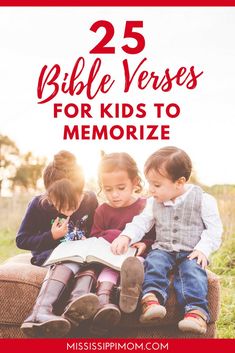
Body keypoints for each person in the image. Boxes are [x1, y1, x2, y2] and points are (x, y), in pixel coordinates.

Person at [111, 146, 223, 334]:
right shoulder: (153, 202)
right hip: (163, 249)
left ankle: (196, 313)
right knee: (154, 262)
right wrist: (126, 235)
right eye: (149, 183)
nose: (150, 189)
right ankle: (151, 300)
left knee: (193, 272)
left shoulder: (203, 199)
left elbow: (214, 230)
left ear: (179, 182)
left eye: (156, 185)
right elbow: (141, 223)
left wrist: (203, 249)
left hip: (191, 250)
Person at [16, 151, 98, 337]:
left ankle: (78, 305)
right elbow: (22, 240)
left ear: (82, 192)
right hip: (50, 253)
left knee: (92, 265)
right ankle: (40, 313)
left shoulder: (90, 199)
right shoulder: (38, 205)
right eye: (61, 204)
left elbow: (96, 229)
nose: (68, 210)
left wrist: (91, 240)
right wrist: (51, 236)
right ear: (49, 195)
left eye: (74, 203)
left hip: (81, 254)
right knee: (69, 260)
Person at [90, 152, 155, 335]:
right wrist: (118, 236)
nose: (114, 195)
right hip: (110, 259)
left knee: (136, 265)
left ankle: (129, 294)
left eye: (121, 187)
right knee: (108, 271)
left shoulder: (146, 206)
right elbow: (95, 236)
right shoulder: (102, 211)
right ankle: (104, 301)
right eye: (108, 189)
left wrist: (145, 244)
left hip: (135, 259)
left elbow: (153, 237)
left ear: (135, 182)